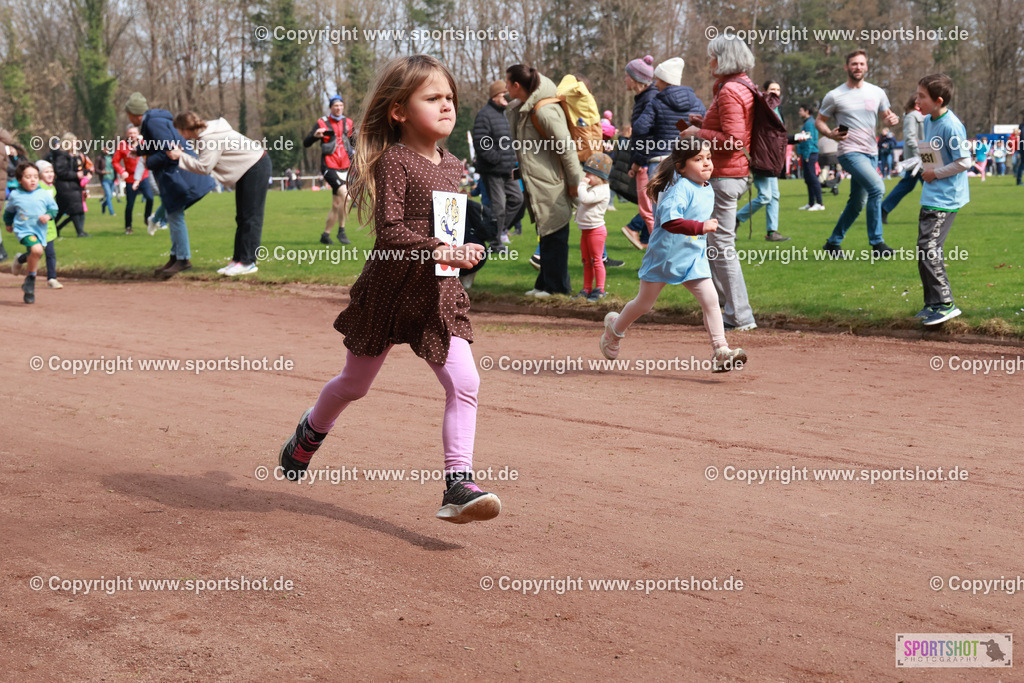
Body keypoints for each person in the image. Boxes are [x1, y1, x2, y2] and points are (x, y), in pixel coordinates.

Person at [277, 54, 500, 524]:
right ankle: (310, 432)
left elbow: (450, 227)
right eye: (433, 97)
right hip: (390, 286)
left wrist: (463, 250)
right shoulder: (394, 160)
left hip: (437, 290)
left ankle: (458, 483)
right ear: (398, 110)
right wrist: (442, 247)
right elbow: (391, 230)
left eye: (450, 98)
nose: (447, 106)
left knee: (466, 383)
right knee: (355, 385)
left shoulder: (454, 164)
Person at [600, 137, 747, 372]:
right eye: (698, 159)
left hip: (693, 259)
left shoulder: (707, 188)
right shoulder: (679, 189)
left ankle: (720, 350)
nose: (707, 163)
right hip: (664, 257)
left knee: (710, 301)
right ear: (680, 166)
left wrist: (701, 231)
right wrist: (701, 227)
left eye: (708, 158)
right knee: (644, 305)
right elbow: (670, 222)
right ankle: (615, 330)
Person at [679, 34, 758, 331]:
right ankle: (731, 311)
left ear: (724, 58)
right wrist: (704, 124)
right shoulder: (743, 86)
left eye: (713, 56)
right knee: (715, 244)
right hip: (731, 174)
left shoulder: (729, 91)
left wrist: (696, 135)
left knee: (721, 245)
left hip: (724, 176)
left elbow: (734, 141)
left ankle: (740, 315)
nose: (709, 61)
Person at [505, 64, 583, 297]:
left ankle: (557, 288)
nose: (506, 87)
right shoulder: (528, 109)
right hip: (542, 183)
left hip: (554, 184)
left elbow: (567, 150)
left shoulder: (544, 111)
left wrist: (574, 185)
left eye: (507, 82)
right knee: (547, 233)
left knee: (555, 234)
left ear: (516, 85)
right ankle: (545, 284)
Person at [816, 50, 900, 258]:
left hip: (872, 152)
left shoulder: (877, 92)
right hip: (849, 152)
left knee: (857, 202)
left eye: (862, 64)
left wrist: (891, 120)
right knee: (877, 188)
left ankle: (833, 243)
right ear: (847, 67)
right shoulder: (835, 95)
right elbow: (819, 121)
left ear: (867, 67)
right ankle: (877, 243)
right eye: (854, 64)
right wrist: (830, 134)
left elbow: (886, 116)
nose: (858, 67)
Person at [124, 92, 216, 277]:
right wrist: (141, 150)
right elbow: (160, 144)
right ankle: (176, 257)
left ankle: (183, 259)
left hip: (180, 177)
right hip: (180, 176)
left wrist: (148, 162)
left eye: (128, 113)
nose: (127, 117)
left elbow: (169, 148)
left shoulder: (152, 122)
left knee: (175, 215)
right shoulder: (154, 120)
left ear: (134, 114)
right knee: (172, 213)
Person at [169, 111, 272, 276]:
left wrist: (180, 156)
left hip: (255, 166)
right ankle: (238, 260)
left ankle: (247, 262)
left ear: (186, 129)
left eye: (180, 131)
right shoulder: (207, 133)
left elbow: (204, 167)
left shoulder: (210, 138)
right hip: (249, 168)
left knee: (251, 216)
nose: (180, 135)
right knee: (242, 217)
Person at [628, 57, 706, 250]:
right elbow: (695, 128)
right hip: (686, 164)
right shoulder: (695, 102)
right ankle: (683, 256)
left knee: (660, 215)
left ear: (665, 80)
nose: (655, 83)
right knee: (682, 212)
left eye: (659, 79)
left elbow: (640, 128)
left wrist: (657, 131)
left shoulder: (657, 101)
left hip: (659, 162)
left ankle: (660, 260)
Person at [912, 73, 971, 326]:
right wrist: (925, 164)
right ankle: (932, 304)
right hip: (932, 195)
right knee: (923, 249)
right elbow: (933, 153)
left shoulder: (952, 125)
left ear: (937, 100)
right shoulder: (927, 119)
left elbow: (964, 162)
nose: (917, 99)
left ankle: (947, 304)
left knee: (930, 248)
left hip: (946, 199)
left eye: (922, 96)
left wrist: (935, 173)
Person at [471, 80, 523, 255]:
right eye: (504, 94)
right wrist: (498, 159)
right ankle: (495, 243)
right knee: (499, 207)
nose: (508, 97)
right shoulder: (484, 115)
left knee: (517, 199)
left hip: (508, 168)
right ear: (494, 96)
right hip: (492, 170)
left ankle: (490, 232)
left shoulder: (505, 114)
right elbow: (481, 143)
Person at [736, 80, 790, 241]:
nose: (775, 92)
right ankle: (736, 219)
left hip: (773, 158)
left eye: (778, 89)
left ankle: (772, 232)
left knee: (774, 196)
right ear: (764, 91)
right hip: (762, 157)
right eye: (772, 89)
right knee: (765, 196)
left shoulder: (778, 110)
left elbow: (778, 137)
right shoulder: (761, 110)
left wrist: (794, 139)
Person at [304, 95, 355, 245]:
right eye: (335, 106)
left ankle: (325, 235)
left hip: (345, 166)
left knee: (336, 205)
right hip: (329, 166)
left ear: (343, 107)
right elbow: (306, 143)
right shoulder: (322, 122)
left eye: (341, 105)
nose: (338, 108)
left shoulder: (349, 122)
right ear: (331, 107)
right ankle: (341, 231)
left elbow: (355, 142)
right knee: (347, 196)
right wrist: (315, 136)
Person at [4, 162, 57, 303]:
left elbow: (53, 208)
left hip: (39, 230)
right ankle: (31, 281)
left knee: (35, 252)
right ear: (20, 180)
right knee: (37, 250)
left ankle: (26, 273)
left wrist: (48, 215)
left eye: (35, 176)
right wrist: (8, 223)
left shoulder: (43, 194)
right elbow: (9, 211)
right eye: (28, 177)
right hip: (23, 230)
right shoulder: (15, 195)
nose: (33, 180)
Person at [622, 55, 658, 250]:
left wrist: (638, 162)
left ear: (636, 79)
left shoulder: (649, 99)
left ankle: (659, 260)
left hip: (648, 162)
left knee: (648, 211)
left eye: (627, 76)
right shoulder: (645, 98)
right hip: (647, 161)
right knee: (649, 210)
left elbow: (646, 136)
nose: (624, 80)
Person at [11, 160, 63, 289]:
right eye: (46, 172)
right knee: (35, 252)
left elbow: (53, 208)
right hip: (32, 227)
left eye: (51, 171)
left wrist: (48, 215)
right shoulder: (35, 188)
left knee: (49, 253)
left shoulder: (51, 188)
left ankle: (52, 278)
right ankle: (20, 259)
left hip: (48, 227)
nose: (50, 174)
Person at [574, 152, 612, 301]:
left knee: (597, 260)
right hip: (586, 230)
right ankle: (586, 288)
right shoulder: (594, 187)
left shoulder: (602, 190)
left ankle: (600, 289)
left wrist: (582, 185)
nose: (586, 177)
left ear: (599, 175)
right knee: (586, 260)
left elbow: (584, 199)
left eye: (589, 174)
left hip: (596, 231)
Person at [881, 96, 925, 223]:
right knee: (929, 185)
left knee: (908, 185)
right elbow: (910, 138)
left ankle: (883, 209)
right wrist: (921, 155)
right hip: (918, 158)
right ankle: (934, 213)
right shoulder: (912, 116)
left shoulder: (915, 115)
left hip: (918, 157)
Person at [46, 133, 90, 238]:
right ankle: (80, 232)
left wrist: (84, 171)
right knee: (74, 210)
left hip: (72, 186)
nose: (76, 144)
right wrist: (76, 174)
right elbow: (60, 171)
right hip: (66, 187)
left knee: (62, 211)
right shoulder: (61, 155)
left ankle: (56, 228)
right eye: (74, 142)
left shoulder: (72, 155)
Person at [112, 125, 152, 235]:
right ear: (126, 134)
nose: (132, 135)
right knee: (130, 204)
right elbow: (115, 161)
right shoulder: (122, 145)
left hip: (144, 175)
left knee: (150, 197)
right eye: (130, 133)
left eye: (134, 133)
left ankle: (147, 218)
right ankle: (128, 226)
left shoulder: (143, 143)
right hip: (130, 178)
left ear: (138, 133)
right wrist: (121, 171)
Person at [796, 104, 824, 211]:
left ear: (807, 111)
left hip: (810, 154)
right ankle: (811, 203)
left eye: (801, 110)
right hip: (807, 153)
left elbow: (809, 140)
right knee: (808, 179)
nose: (799, 112)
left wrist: (806, 155)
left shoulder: (809, 124)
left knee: (812, 178)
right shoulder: (808, 123)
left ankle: (820, 203)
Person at [96, 152, 116, 216]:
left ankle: (103, 205)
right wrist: (101, 172)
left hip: (112, 180)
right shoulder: (100, 158)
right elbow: (96, 169)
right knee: (109, 195)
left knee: (110, 196)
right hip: (105, 180)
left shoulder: (113, 158)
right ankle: (111, 212)